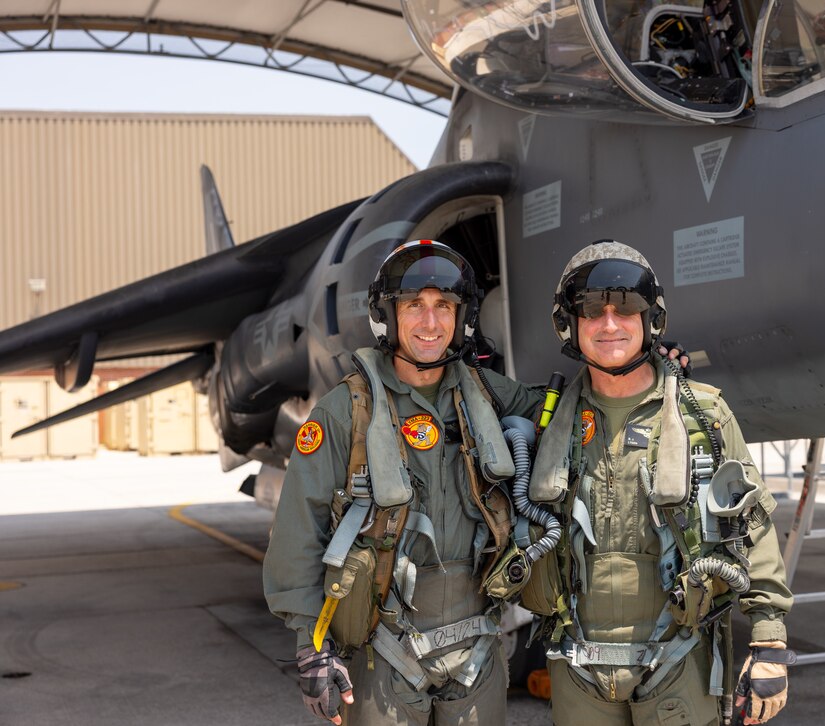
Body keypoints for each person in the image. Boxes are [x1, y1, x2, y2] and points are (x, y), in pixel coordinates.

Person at [263, 239, 544, 726]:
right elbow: (298, 533)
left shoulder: (488, 394)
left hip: (477, 645)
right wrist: (312, 649)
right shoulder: (343, 413)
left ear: (462, 317)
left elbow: (572, 420)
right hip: (383, 649)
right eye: (414, 305)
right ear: (387, 316)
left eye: (444, 306)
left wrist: (652, 367)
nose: (431, 323)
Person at [521, 240, 794, 725]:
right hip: (577, 667)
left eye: (627, 308)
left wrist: (769, 639)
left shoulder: (702, 414)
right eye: (591, 310)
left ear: (652, 320)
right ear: (570, 324)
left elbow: (752, 524)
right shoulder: (542, 421)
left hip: (678, 662)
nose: (609, 324)